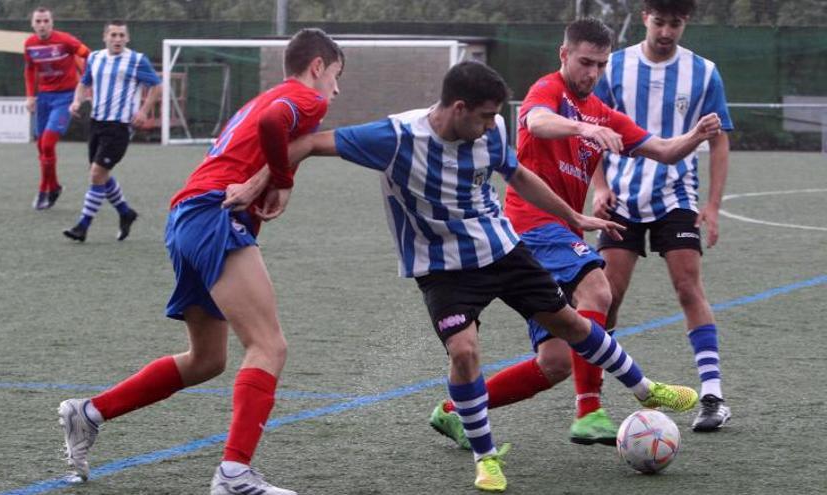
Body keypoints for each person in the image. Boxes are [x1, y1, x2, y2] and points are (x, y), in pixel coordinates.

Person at [235, 60, 702, 493]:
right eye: (482, 116)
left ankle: (646, 390)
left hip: (501, 250)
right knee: (464, 351)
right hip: (442, 270)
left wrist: (572, 218)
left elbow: (517, 175)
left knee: (572, 324)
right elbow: (308, 144)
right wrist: (268, 182)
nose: (489, 126)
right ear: (458, 109)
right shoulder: (395, 137)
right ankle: (485, 458)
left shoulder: (493, 129)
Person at [56, 28, 343, 495]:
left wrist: (268, 175)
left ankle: (89, 413)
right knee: (269, 345)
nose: (337, 87)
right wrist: (283, 180)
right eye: (336, 75)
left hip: (188, 215)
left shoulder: (269, 94)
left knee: (207, 360)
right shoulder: (305, 98)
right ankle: (234, 474)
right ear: (317, 67)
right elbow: (274, 125)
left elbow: (268, 128)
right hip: (214, 213)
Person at [428, 18, 724, 455]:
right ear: (564, 55)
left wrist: (695, 136)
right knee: (598, 288)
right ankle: (590, 412)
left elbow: (662, 151)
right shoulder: (548, 90)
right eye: (585, 62)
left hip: (556, 230)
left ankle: (454, 411)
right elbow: (539, 122)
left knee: (556, 363)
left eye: (601, 65)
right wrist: (583, 128)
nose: (593, 73)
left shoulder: (602, 112)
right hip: (531, 223)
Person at [592, 0, 733, 432]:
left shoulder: (704, 72)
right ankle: (591, 397)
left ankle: (712, 396)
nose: (667, 31)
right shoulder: (613, 68)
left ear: (685, 22)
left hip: (677, 196)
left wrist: (711, 205)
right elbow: (591, 129)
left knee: (689, 287)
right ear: (645, 17)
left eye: (675, 23)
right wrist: (599, 187)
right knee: (607, 297)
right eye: (660, 22)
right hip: (622, 201)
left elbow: (720, 140)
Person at [62, 20, 161, 242]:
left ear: (127, 38)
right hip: (97, 123)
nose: (117, 39)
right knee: (100, 174)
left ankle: (82, 226)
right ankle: (126, 213)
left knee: (96, 174)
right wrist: (76, 102)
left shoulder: (136, 60)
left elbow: (157, 85)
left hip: (119, 127)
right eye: (113, 35)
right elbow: (84, 82)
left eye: (121, 35)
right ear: (105, 37)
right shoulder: (95, 58)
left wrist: (144, 111)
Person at [24, 6, 91, 210]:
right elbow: (29, 69)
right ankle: (54, 186)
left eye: (46, 21)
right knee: (40, 146)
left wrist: (86, 84)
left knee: (47, 144)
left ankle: (44, 189)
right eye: (38, 21)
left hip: (65, 98)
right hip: (44, 98)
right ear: (33, 24)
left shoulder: (65, 40)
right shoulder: (30, 44)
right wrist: (30, 96)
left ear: (52, 23)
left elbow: (88, 54)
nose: (42, 25)